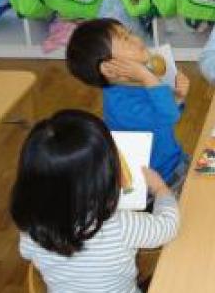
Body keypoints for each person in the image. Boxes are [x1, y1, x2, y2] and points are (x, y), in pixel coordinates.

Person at [10, 110, 180, 293]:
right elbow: (168, 227)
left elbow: (27, 253)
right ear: (102, 179)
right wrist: (161, 190)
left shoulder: (31, 229)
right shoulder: (120, 225)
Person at [66, 18, 190, 193]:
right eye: (125, 39)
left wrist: (177, 99)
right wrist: (148, 78)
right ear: (109, 69)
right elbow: (168, 116)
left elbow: (163, 117)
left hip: (175, 162)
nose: (137, 39)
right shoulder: (121, 106)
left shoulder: (135, 82)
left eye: (130, 33)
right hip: (158, 183)